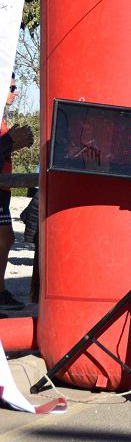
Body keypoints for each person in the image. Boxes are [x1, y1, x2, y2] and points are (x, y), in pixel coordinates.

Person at [0, 78, 33, 310]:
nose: (16, 92)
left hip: (4, 187)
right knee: (4, 240)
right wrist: (11, 141)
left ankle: (1, 293)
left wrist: (11, 143)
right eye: (12, 87)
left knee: (7, 239)